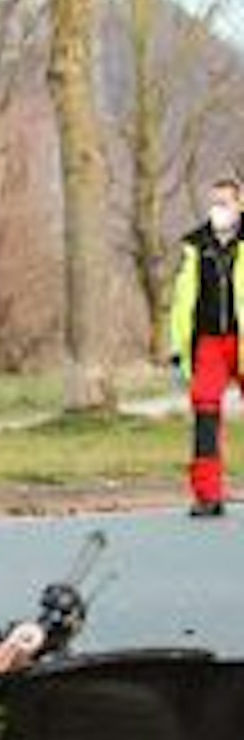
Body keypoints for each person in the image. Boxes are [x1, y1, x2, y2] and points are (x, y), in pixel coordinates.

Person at [170, 176, 244, 517]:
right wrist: (178, 348)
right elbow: (182, 300)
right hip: (209, 341)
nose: (219, 210)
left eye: (225, 202)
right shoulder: (194, 245)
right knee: (205, 411)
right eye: (215, 203)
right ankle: (207, 495)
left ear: (239, 204)